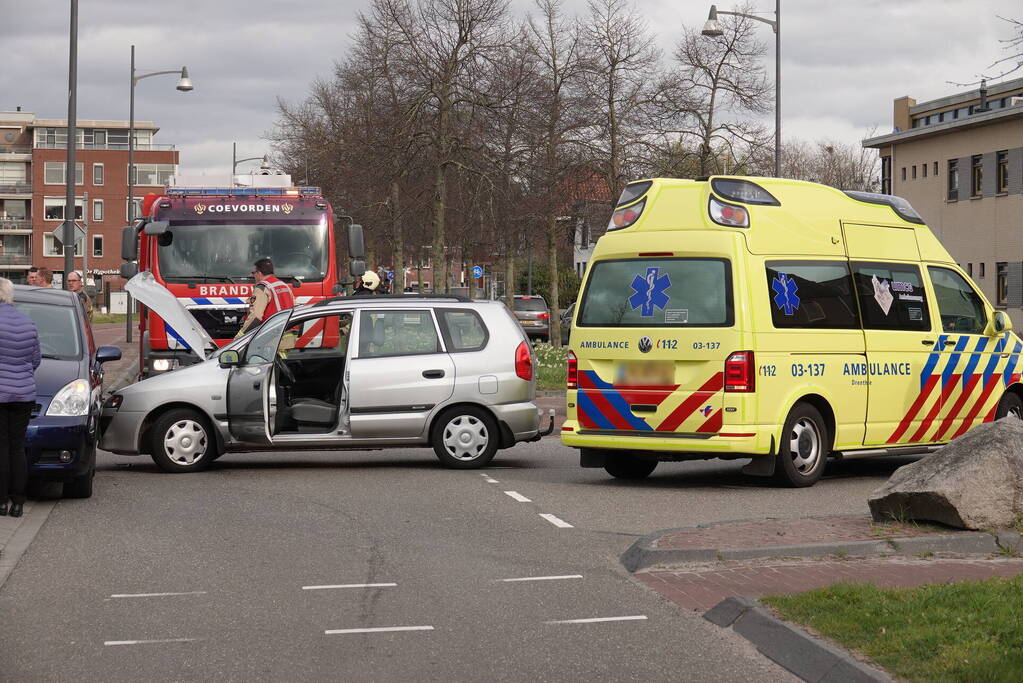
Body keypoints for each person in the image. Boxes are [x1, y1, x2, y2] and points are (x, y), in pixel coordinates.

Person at [0, 277, 41, 518]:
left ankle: (1, 502)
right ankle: (18, 503)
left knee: (1, 447)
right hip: (23, 394)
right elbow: (35, 360)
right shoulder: (28, 322)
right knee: (17, 447)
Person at [235, 257, 296, 337]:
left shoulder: (262, 288)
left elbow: (255, 317)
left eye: (253, 273)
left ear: (259, 273)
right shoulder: (284, 285)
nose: (252, 275)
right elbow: (295, 307)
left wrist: (240, 336)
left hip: (272, 335)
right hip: (289, 334)